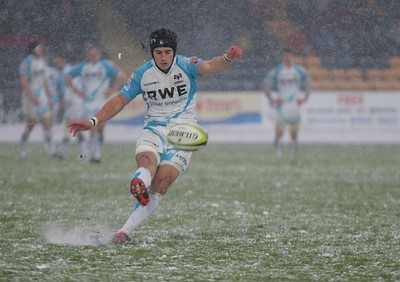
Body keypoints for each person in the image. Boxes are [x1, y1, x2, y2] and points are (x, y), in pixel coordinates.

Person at [68, 28, 243, 244]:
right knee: (147, 161)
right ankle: (139, 181)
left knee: (160, 184)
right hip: (154, 128)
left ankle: (122, 233)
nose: (163, 57)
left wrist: (227, 58)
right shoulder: (142, 74)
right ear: (152, 52)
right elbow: (120, 100)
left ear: (174, 52)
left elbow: (211, 66)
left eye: (167, 52)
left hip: (183, 133)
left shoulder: (187, 65)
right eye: (158, 52)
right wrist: (93, 121)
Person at [65, 46, 127, 163]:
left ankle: (96, 148)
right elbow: (67, 77)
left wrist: (112, 89)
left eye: (95, 54)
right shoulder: (83, 66)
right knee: (93, 127)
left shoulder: (106, 65)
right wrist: (77, 91)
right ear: (88, 56)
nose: (93, 56)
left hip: (102, 102)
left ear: (99, 55)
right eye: (91, 54)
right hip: (88, 103)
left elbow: (122, 76)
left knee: (101, 128)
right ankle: (96, 156)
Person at [264, 48, 312, 163]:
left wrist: (305, 98)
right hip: (282, 106)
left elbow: (309, 82)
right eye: (285, 56)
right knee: (279, 132)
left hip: (294, 106)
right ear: (282, 57)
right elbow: (266, 84)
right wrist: (271, 98)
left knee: (294, 133)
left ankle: (293, 155)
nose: (287, 58)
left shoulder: (299, 70)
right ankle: (277, 154)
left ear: (293, 57)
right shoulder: (277, 71)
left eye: (289, 56)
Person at [18, 41, 54, 159]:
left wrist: (49, 98)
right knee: (31, 123)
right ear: (33, 49)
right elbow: (24, 81)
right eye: (39, 48)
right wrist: (32, 96)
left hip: (42, 95)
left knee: (47, 121)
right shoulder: (26, 62)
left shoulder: (43, 62)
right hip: (30, 96)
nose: (41, 50)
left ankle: (50, 149)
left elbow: (45, 81)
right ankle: (22, 147)